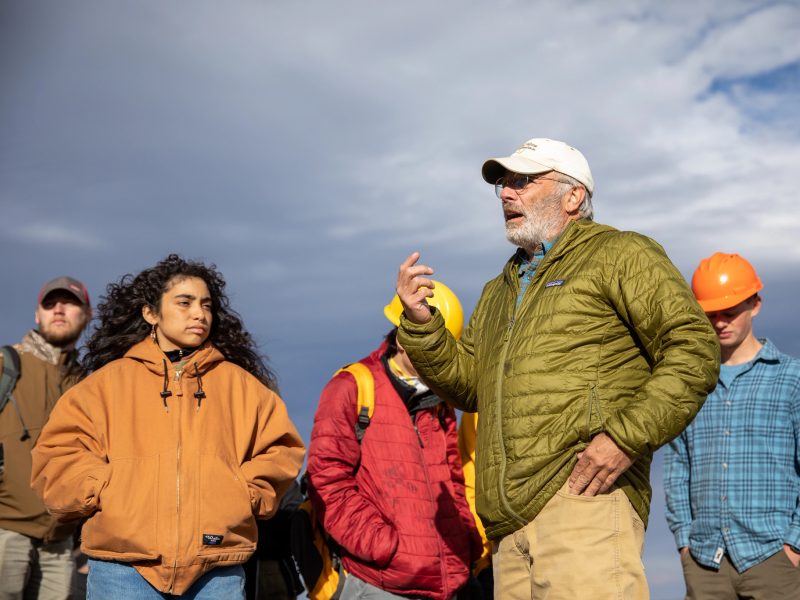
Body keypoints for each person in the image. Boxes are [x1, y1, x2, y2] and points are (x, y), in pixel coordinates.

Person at [394, 137, 720, 599]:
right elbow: (469, 389)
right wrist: (422, 324)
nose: (507, 193)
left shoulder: (620, 253)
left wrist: (624, 439)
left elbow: (693, 348)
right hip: (508, 528)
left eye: (522, 181)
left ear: (574, 197)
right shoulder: (498, 289)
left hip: (584, 498)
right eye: (503, 184)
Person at [29, 255, 305, 599]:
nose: (199, 314)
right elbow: (57, 454)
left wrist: (240, 495)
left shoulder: (244, 387)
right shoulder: (103, 386)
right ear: (151, 313)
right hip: (122, 569)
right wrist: (106, 490)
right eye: (184, 302)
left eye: (206, 304)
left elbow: (280, 451)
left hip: (216, 571)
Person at [306, 282, 482, 600]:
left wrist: (464, 542)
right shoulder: (351, 387)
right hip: (377, 582)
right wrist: (384, 545)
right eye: (431, 343)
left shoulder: (441, 402)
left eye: (444, 345)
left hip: (447, 581)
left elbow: (453, 481)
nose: (438, 353)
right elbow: (327, 481)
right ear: (402, 337)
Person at [664, 252, 800, 599]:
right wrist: (683, 542)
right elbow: (678, 464)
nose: (720, 322)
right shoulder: (690, 382)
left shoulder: (792, 379)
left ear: (755, 305)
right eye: (710, 314)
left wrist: (795, 544)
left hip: (774, 558)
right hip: (704, 561)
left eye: (730, 312)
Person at [0, 276, 91, 600]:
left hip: (61, 542)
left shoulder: (88, 385)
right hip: (5, 531)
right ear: (37, 315)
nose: (59, 309)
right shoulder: (6, 365)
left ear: (87, 315)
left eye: (69, 302)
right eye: (50, 303)